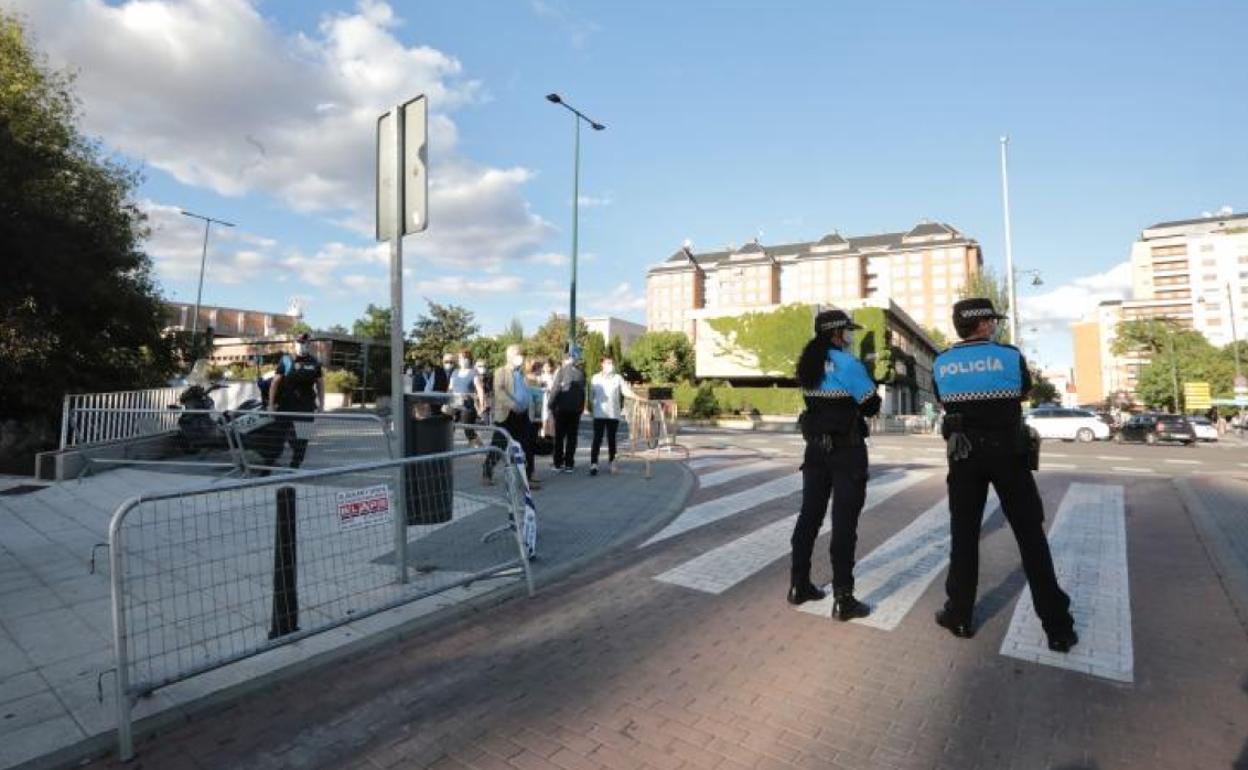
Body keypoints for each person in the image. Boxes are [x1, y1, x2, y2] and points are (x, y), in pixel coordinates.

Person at [932, 298, 1078, 652]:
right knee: (1030, 536)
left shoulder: (941, 362)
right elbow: (1025, 392)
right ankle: (1057, 627)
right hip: (1008, 454)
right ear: (981, 324)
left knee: (964, 536)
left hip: (963, 456)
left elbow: (941, 401)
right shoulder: (1009, 356)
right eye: (992, 322)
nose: (995, 326)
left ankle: (961, 615)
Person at [788, 309, 881, 620]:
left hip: (815, 450)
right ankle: (844, 598)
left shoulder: (807, 363)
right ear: (836, 333)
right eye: (847, 331)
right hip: (847, 452)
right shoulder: (848, 363)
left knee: (809, 518)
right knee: (844, 524)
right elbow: (870, 406)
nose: (850, 336)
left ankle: (798, 585)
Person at [264, 332, 324, 469]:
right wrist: (271, 405)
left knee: (302, 441)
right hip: (286, 407)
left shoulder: (315, 362)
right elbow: (275, 383)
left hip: (306, 408)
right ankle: (267, 467)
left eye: (306, 343)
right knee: (276, 439)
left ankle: (294, 467)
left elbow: (320, 385)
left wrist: (322, 405)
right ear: (295, 344)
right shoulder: (286, 360)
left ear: (309, 345)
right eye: (300, 342)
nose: (302, 345)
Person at [484, 344, 540, 489]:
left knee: (527, 445)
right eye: (517, 354)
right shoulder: (501, 371)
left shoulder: (522, 374)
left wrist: (530, 408)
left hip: (523, 415)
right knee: (498, 445)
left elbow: (527, 393)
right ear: (509, 356)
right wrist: (512, 404)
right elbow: (499, 390)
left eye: (521, 353)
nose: (520, 356)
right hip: (507, 415)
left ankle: (528, 476)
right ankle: (487, 472)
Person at [588, 356, 636, 476]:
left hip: (613, 414)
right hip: (599, 413)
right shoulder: (595, 378)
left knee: (612, 439)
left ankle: (612, 462)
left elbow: (625, 391)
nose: (611, 365)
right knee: (597, 439)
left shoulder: (617, 378)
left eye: (612, 363)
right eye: (608, 363)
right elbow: (591, 395)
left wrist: (637, 397)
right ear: (602, 364)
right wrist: (592, 409)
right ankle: (594, 464)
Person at [549, 349, 587, 473]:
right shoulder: (581, 373)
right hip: (575, 410)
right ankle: (569, 464)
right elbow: (583, 392)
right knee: (572, 437)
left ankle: (558, 463)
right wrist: (581, 407)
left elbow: (555, 390)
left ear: (565, 360)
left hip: (561, 409)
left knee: (560, 437)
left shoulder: (561, 371)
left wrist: (550, 405)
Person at [448, 349, 486, 448]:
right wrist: (446, 400)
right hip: (454, 404)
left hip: (467, 406)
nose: (463, 360)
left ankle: (479, 445)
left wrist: (482, 405)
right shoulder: (455, 372)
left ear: (469, 360)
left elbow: (480, 390)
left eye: (465, 358)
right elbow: (450, 388)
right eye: (461, 358)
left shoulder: (473, 373)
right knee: (448, 427)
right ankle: (445, 447)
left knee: (468, 430)